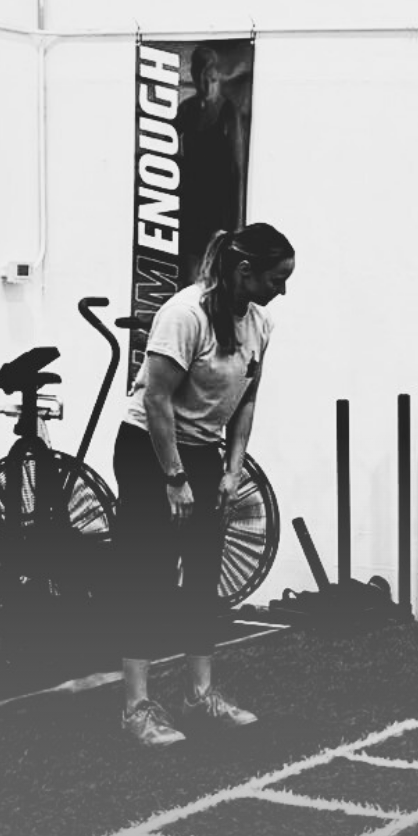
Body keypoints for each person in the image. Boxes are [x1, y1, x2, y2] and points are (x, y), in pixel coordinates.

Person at [113, 222, 295, 746]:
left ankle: (199, 695)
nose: (282, 290)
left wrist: (232, 469)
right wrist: (174, 478)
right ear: (245, 271)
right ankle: (136, 709)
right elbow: (156, 399)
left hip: (203, 452)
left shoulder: (259, 323)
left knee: (202, 573)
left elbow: (247, 399)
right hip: (149, 450)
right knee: (147, 576)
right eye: (276, 279)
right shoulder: (184, 315)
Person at [176, 46, 247, 286]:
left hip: (219, 208)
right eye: (200, 77)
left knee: (214, 276)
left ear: (216, 76)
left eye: (210, 78)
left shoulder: (228, 111)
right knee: (189, 275)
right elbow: (167, 149)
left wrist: (237, 222)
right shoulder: (187, 109)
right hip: (190, 205)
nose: (205, 84)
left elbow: (237, 168)